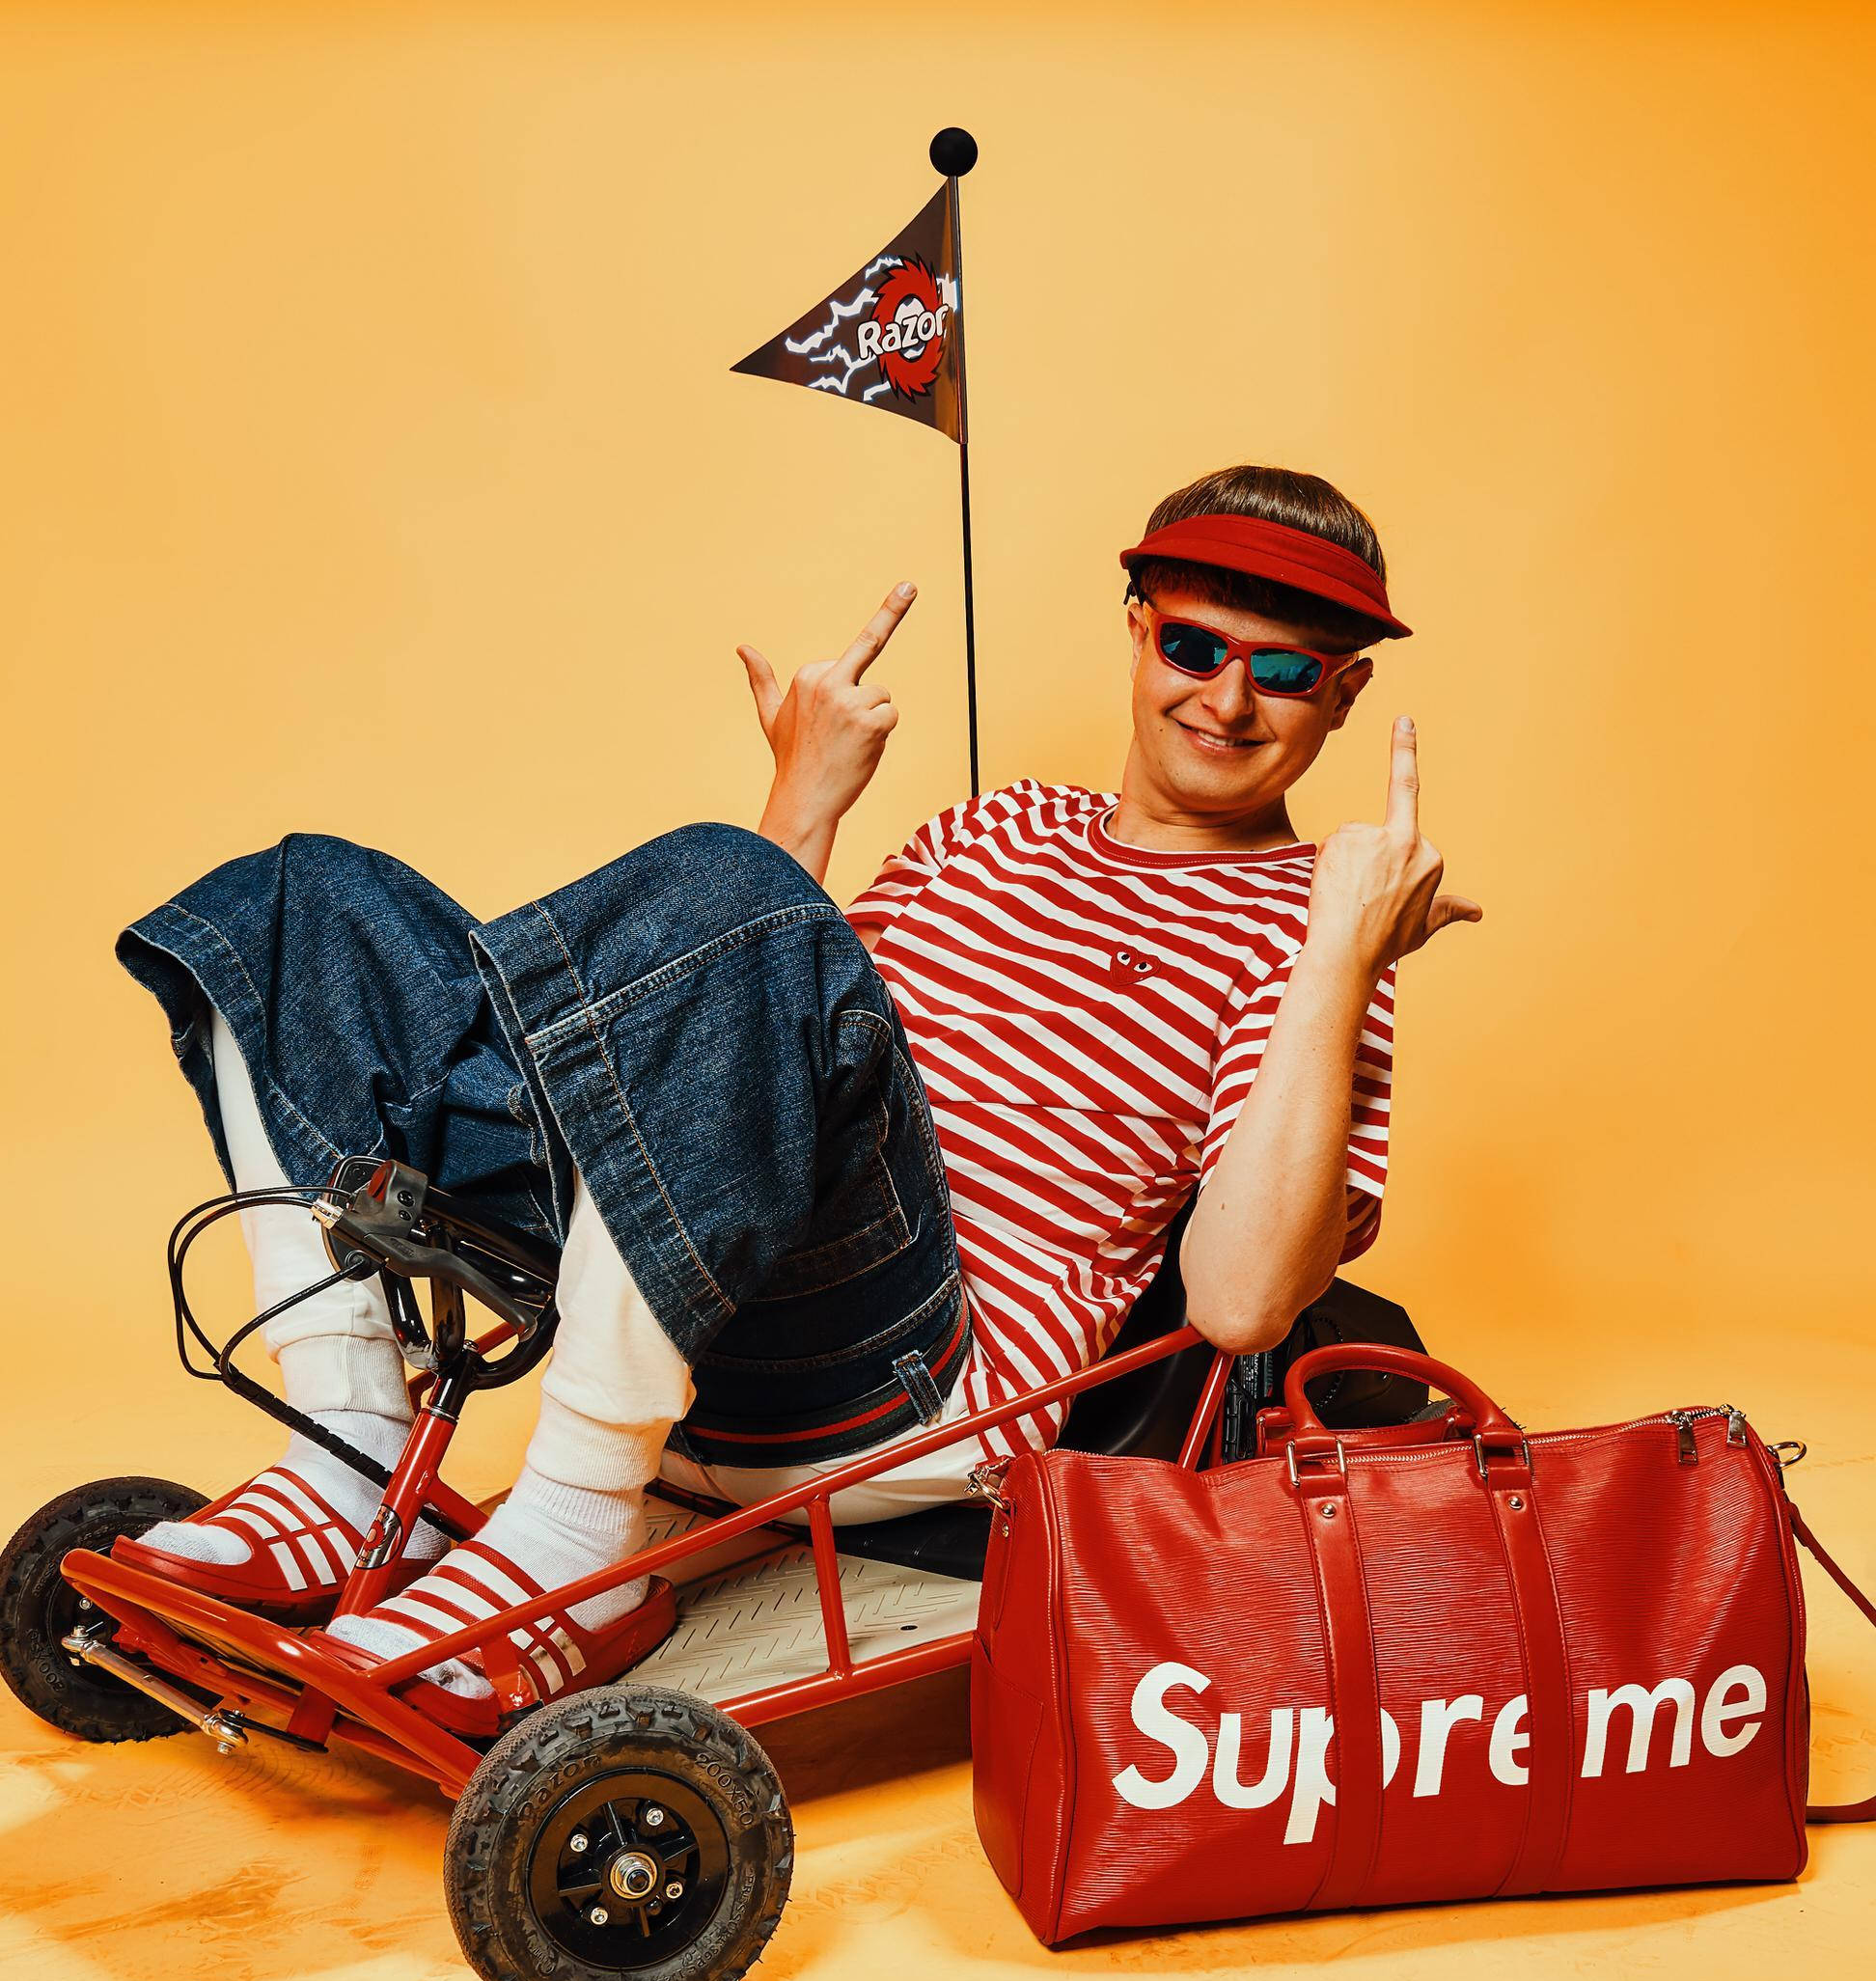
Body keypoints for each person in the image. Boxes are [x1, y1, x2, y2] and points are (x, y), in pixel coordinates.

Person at [114, 462, 1481, 1735]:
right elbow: (751, 1016)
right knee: (297, 900)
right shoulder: (993, 829)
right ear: (1139, 631)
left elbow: (1243, 1304)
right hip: (705, 1289)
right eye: (1194, 646)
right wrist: (806, 796)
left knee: (732, 890)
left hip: (905, 1377)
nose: (1228, 702)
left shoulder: (1323, 928)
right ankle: (352, 1457)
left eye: (1284, 672)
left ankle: (575, 1539)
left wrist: (1340, 954)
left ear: (1343, 696)